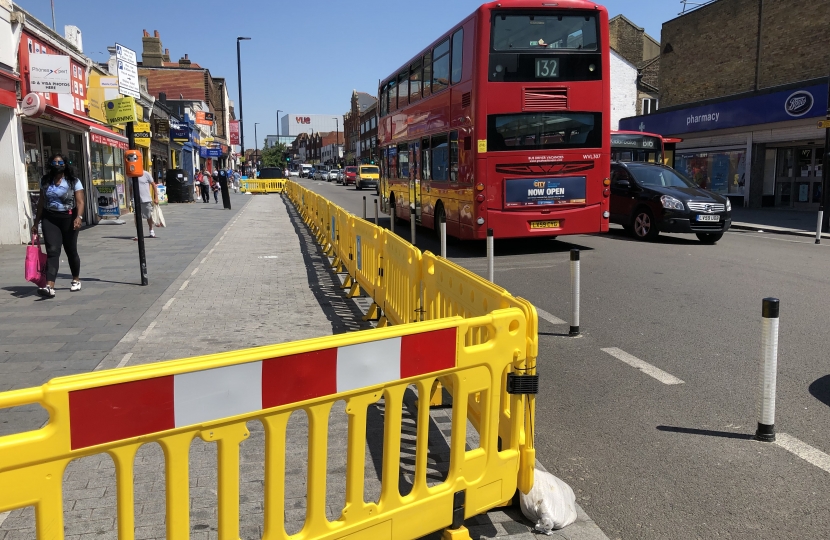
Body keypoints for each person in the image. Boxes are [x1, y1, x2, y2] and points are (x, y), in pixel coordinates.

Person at [32, 153, 84, 298]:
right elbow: (41, 202)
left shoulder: (73, 181)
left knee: (70, 249)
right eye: (54, 163)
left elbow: (80, 202)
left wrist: (79, 217)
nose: (58, 165)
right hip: (50, 218)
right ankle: (50, 286)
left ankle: (75, 279)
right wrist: (36, 222)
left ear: (65, 165)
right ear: (50, 165)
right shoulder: (45, 181)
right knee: (53, 251)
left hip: (69, 218)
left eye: (60, 163)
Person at [134, 169, 159, 239]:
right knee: (136, 216)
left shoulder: (146, 174)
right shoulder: (131, 176)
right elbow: (130, 187)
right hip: (136, 199)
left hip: (146, 199)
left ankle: (151, 230)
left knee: (148, 216)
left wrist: (156, 197)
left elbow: (153, 185)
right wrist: (131, 198)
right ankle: (139, 233)